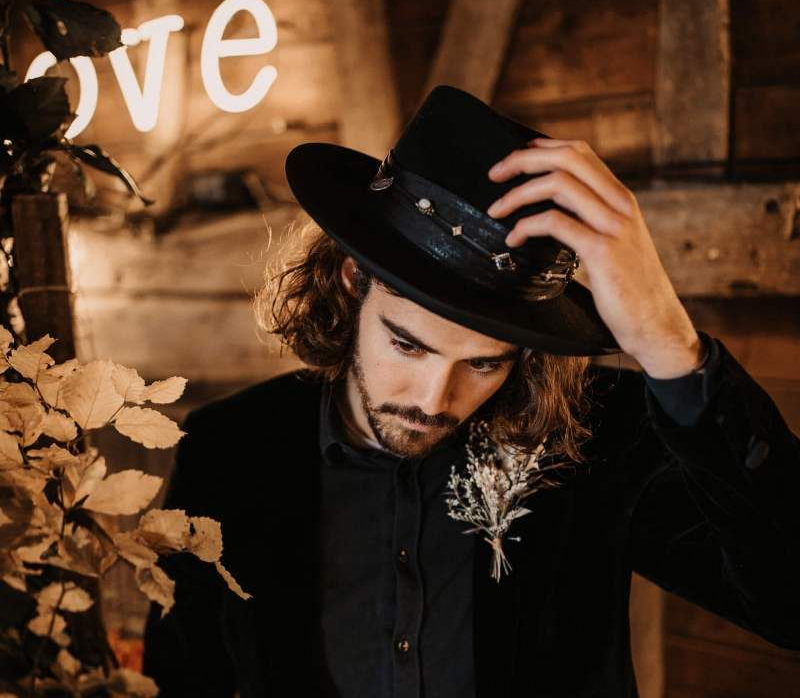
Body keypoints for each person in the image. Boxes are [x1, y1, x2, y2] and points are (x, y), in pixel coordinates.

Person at [142, 85, 800, 697]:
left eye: (486, 364)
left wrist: (667, 341)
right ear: (351, 279)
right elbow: (179, 679)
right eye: (408, 344)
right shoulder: (225, 448)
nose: (434, 400)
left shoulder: (600, 432)